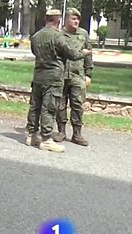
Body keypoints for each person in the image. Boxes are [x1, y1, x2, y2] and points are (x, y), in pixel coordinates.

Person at [25, 9, 90, 152]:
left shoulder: (35, 36)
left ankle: (31, 135)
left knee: (35, 106)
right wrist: (83, 53)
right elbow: (71, 54)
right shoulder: (57, 36)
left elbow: (35, 52)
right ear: (57, 20)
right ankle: (46, 139)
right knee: (49, 107)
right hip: (53, 77)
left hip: (38, 76)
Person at [53, 7, 93, 146]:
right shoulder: (58, 34)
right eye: (73, 19)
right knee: (60, 104)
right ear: (66, 20)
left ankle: (77, 134)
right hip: (61, 74)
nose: (76, 22)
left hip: (78, 75)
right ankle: (61, 131)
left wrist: (88, 74)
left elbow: (89, 54)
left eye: (78, 19)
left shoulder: (83, 34)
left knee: (77, 104)